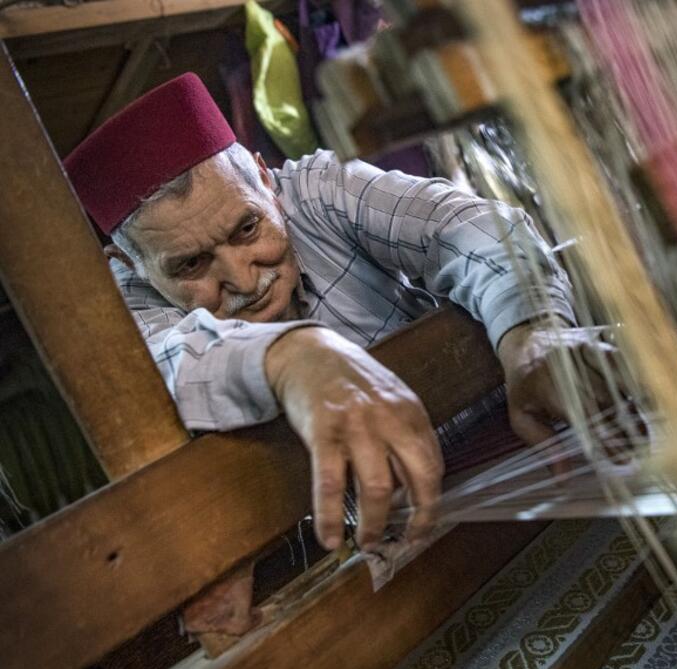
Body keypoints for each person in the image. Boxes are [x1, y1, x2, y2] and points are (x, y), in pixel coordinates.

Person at [64, 72, 609, 553]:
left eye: (247, 229)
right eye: (191, 265)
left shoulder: (322, 189)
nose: (243, 278)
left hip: (505, 458)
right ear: (131, 266)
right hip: (367, 543)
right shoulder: (125, 308)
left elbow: (464, 229)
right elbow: (167, 360)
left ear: (266, 181)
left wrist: (531, 335)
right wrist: (295, 357)